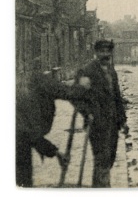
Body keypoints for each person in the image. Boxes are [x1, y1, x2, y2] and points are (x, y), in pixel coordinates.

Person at [16, 67, 91, 187]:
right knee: (22, 179)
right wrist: (82, 88)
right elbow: (31, 135)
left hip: (21, 137)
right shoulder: (34, 91)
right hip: (20, 140)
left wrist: (56, 153)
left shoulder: (28, 86)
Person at [74, 39, 128, 188]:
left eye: (108, 51)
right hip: (96, 124)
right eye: (102, 51)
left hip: (113, 124)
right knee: (102, 159)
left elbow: (117, 97)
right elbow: (76, 97)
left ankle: (99, 186)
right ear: (96, 52)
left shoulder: (111, 71)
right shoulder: (87, 71)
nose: (105, 54)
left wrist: (123, 120)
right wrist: (87, 113)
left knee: (109, 158)